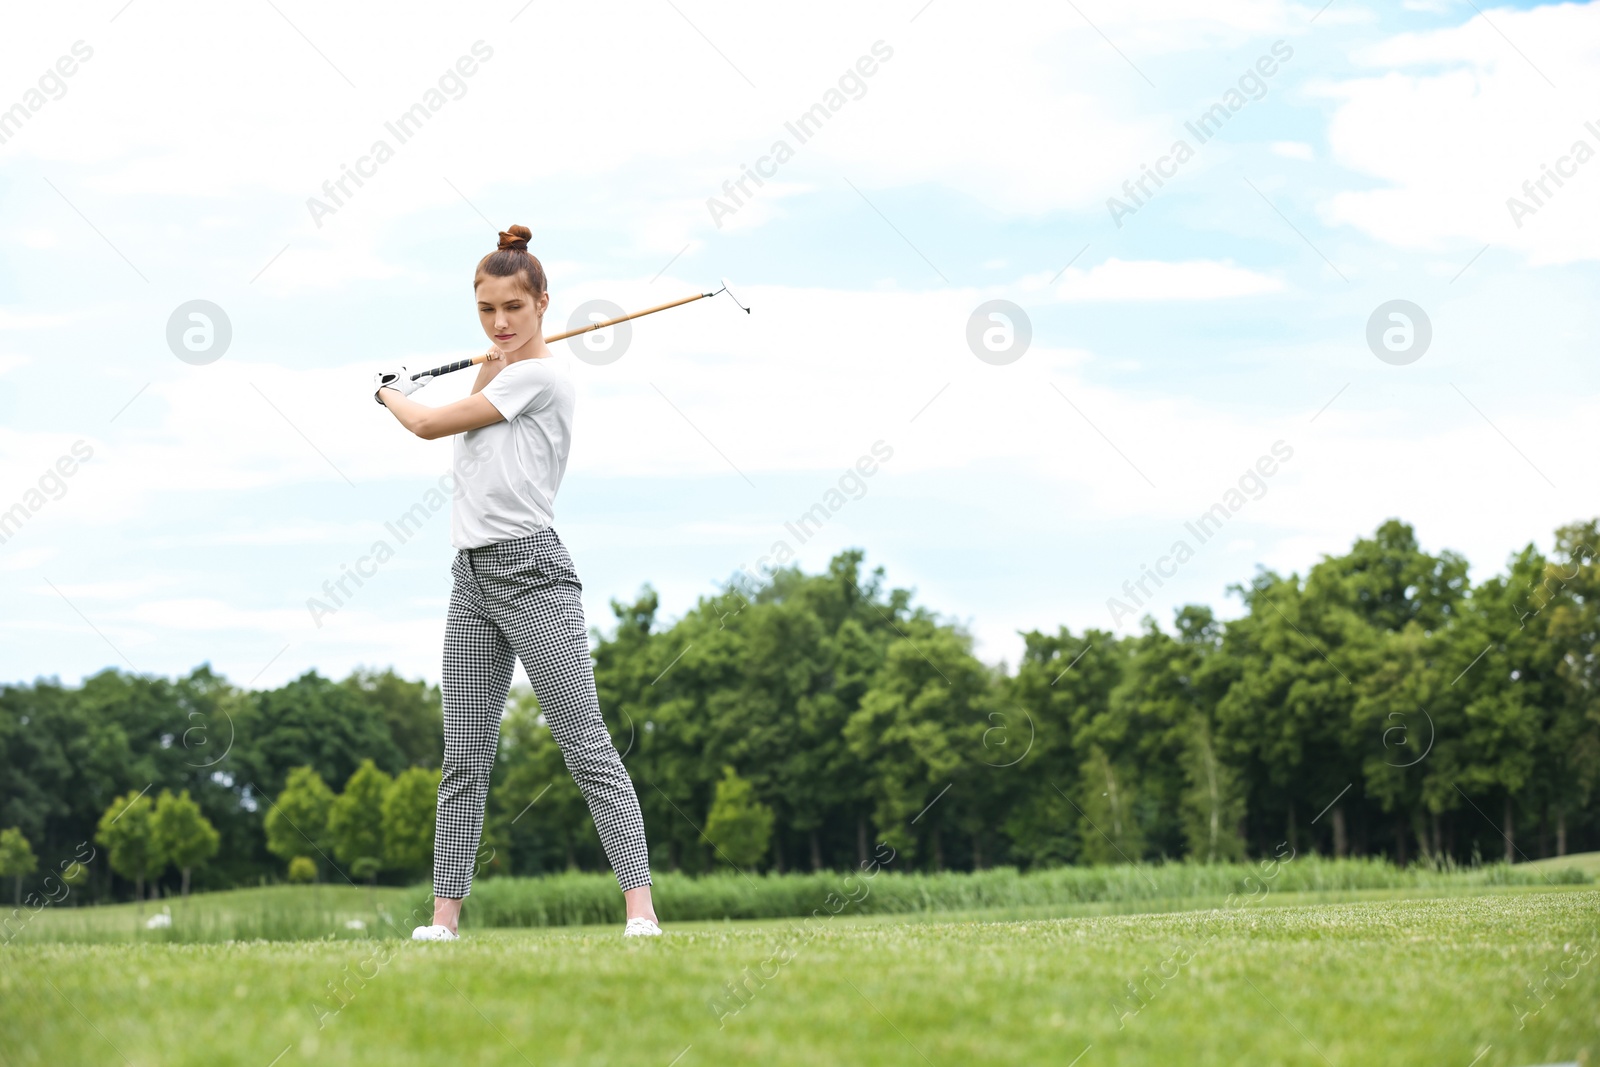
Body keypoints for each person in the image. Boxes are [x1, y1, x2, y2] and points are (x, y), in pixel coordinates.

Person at [372, 225, 661, 940]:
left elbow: (429, 426)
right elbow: (467, 408)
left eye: (514, 309)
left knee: (585, 743)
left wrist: (389, 394)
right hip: (470, 578)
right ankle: (443, 921)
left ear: (542, 304)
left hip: (531, 571)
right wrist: (484, 360)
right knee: (463, 756)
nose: (499, 322)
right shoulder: (503, 370)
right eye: (486, 310)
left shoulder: (543, 376)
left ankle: (641, 911)